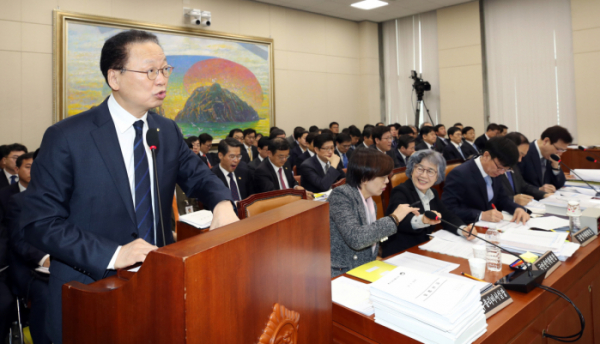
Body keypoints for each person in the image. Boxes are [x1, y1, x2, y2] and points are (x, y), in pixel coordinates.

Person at [21, 30, 238, 344]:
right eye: (150, 71)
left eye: (165, 70)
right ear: (115, 77)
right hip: (91, 290)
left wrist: (221, 204)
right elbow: (39, 224)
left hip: (158, 285)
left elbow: (199, 176)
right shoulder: (68, 137)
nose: (161, 79)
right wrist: (114, 253)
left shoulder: (166, 129)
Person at [328, 149, 419, 277]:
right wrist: (394, 218)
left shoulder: (370, 201)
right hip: (343, 273)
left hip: (366, 267)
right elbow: (357, 239)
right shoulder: (341, 196)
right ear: (365, 177)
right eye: (383, 176)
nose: (387, 181)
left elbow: (371, 237)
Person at [382, 150, 476, 257]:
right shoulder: (401, 191)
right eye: (420, 168)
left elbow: (447, 216)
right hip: (401, 253)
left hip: (423, 249)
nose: (424, 175)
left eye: (430, 171)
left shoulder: (432, 193)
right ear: (412, 170)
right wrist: (422, 220)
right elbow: (402, 221)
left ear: (437, 176)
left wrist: (463, 229)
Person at [2, 153, 52, 344]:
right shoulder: (20, 201)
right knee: (46, 295)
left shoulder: (71, 198)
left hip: (65, 263)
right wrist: (44, 259)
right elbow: (18, 241)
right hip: (31, 268)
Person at [442, 137, 530, 224]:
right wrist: (481, 215)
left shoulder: (495, 171)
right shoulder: (460, 174)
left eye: (506, 170)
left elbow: (501, 199)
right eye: (500, 167)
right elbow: (448, 209)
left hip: (490, 226)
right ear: (486, 156)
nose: (502, 172)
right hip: (467, 227)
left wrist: (517, 208)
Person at [502, 132, 551, 206]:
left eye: (523, 155)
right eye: (520, 154)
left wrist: (544, 195)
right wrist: (513, 199)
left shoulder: (514, 165)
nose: (519, 160)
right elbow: (494, 199)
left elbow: (523, 186)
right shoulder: (494, 169)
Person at [518, 125, 572, 192]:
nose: (560, 153)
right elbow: (518, 184)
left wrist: (555, 167)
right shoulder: (524, 153)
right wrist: (538, 190)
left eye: (563, 150)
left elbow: (559, 184)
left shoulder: (551, 156)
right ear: (546, 141)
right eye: (558, 149)